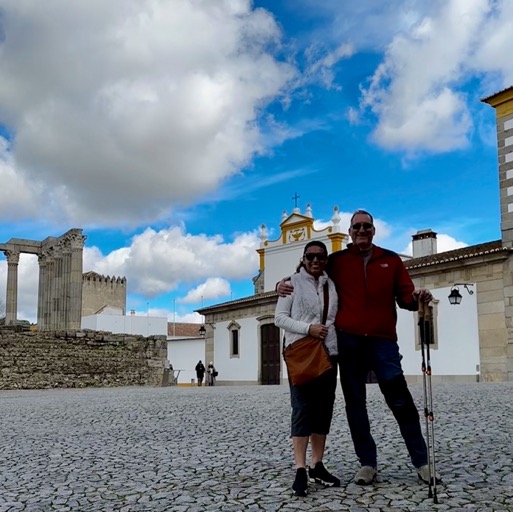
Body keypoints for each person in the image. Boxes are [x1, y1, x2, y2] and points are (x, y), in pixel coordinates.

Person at [277, 210, 440, 486]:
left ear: (373, 230)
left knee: (401, 401)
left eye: (366, 226)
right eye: (357, 227)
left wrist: (416, 297)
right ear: (350, 232)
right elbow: (308, 272)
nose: (361, 230)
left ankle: (422, 461)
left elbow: (405, 297)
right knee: (355, 405)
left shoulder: (390, 260)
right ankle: (367, 463)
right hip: (349, 342)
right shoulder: (337, 261)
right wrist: (282, 283)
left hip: (382, 342)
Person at [275, 241, 340, 497]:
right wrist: (308, 329)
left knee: (324, 410)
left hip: (327, 354)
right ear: (303, 258)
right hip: (301, 353)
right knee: (302, 408)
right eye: (311, 256)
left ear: (326, 260)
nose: (316, 260)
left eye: (321, 257)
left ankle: (318, 464)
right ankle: (300, 468)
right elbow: (279, 318)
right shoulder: (290, 283)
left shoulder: (331, 284)